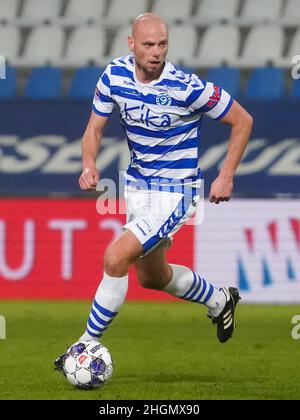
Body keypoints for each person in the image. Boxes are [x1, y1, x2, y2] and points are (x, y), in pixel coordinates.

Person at [55, 13, 253, 371]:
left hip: (176, 192)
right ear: (131, 44)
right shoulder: (114, 75)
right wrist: (88, 163)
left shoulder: (186, 87)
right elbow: (94, 129)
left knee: (116, 258)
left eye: (162, 44)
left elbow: (243, 120)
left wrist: (226, 176)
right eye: (148, 44)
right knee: (152, 277)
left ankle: (85, 346)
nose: (156, 52)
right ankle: (219, 299)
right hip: (138, 188)